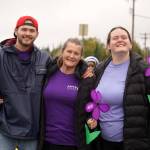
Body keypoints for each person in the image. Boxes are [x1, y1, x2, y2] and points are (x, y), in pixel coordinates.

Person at [88, 26, 150, 150]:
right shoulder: (99, 70)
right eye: (115, 38)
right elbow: (91, 101)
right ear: (108, 46)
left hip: (134, 143)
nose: (120, 40)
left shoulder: (143, 69)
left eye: (124, 37)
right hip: (103, 142)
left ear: (130, 44)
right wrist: (91, 119)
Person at [0, 16, 51, 150]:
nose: (27, 33)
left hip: (32, 132)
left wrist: (84, 69)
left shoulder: (45, 58)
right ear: (16, 31)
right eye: (24, 29)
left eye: (32, 30)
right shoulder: (1, 56)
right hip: (5, 130)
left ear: (37, 34)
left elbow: (65, 70)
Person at [39, 38, 95, 150]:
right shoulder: (49, 72)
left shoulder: (86, 79)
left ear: (80, 57)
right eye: (69, 51)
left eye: (76, 53)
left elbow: (92, 105)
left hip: (72, 143)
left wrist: (91, 118)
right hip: (45, 141)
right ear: (62, 52)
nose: (72, 56)